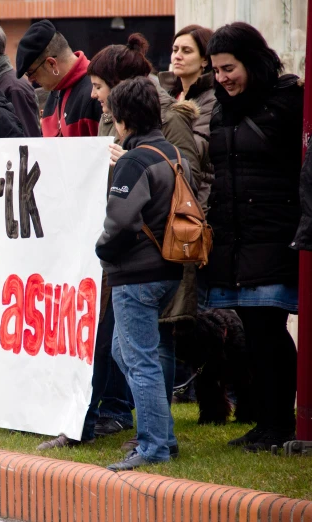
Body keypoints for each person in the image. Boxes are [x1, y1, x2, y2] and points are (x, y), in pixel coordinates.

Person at [204, 22, 304, 452]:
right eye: (217, 71)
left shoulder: (287, 99)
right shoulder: (221, 107)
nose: (223, 78)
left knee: (269, 331)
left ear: (252, 60)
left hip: (273, 232)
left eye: (230, 68)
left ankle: (280, 423)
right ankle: (265, 423)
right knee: (253, 332)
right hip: (235, 237)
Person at [94, 77, 191, 471]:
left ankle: (153, 446)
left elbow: (119, 221)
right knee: (130, 352)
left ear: (122, 119)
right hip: (167, 269)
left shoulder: (134, 161)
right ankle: (163, 435)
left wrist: (101, 251)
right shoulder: (167, 151)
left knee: (140, 360)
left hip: (135, 273)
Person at [159, 25, 216, 211]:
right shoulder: (169, 95)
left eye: (186, 51)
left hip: (198, 196)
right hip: (169, 189)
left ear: (205, 60)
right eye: (175, 50)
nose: (177, 56)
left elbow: (196, 148)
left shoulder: (211, 98)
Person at [15, 20, 101, 137]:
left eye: (31, 73)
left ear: (51, 63)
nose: (31, 80)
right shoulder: (56, 89)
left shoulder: (96, 93)